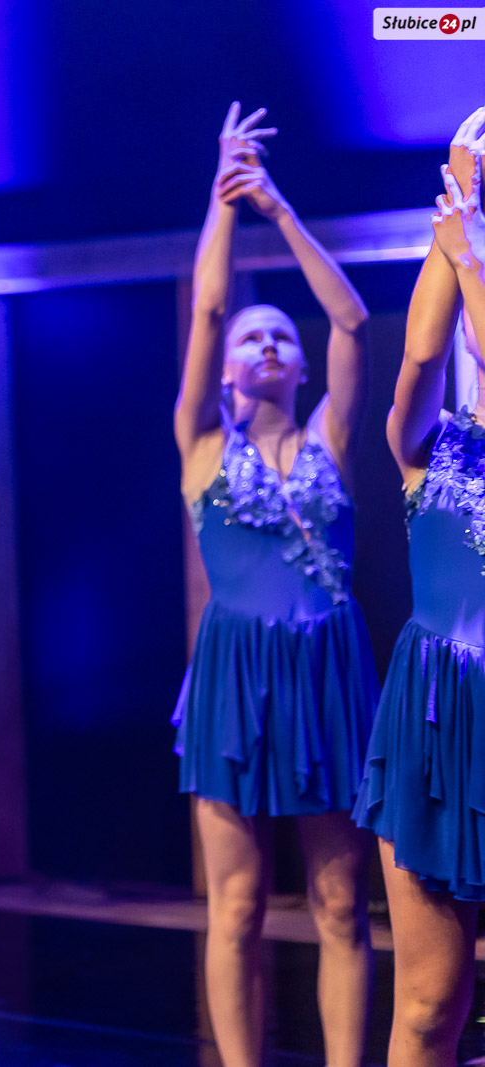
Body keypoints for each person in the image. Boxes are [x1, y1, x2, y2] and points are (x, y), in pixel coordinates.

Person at [171, 104, 375, 1067]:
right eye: (254, 338)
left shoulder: (332, 435)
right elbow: (209, 308)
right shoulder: (202, 445)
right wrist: (225, 197)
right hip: (235, 676)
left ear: (298, 366)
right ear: (226, 368)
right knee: (239, 903)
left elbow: (352, 319)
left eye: (281, 339)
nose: (267, 346)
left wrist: (281, 208)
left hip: (329, 674)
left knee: (340, 901)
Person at [354, 110, 485, 1067]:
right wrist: (455, 222)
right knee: (429, 1003)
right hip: (437, 719)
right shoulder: (431, 452)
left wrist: (470, 250)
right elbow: (418, 360)